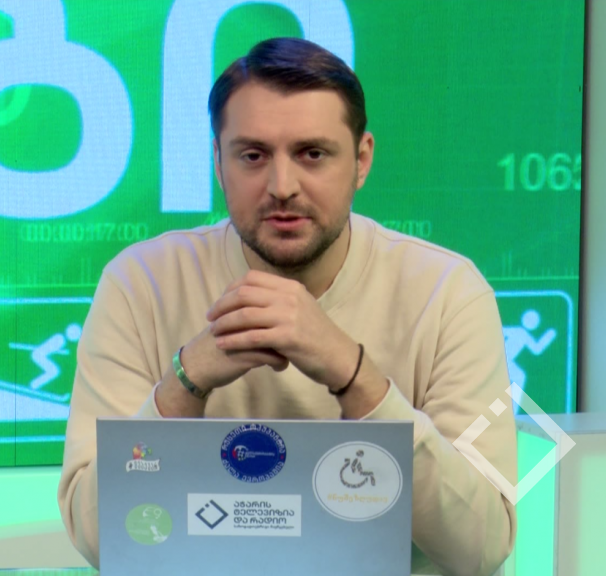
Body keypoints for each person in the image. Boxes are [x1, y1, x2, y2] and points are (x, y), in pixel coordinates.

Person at [59, 37, 516, 576]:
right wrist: (184, 382)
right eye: (253, 156)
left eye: (312, 154)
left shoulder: (449, 293)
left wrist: (357, 378)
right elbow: (97, 540)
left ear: (361, 159)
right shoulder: (140, 284)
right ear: (218, 161)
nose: (282, 187)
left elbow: (482, 547)